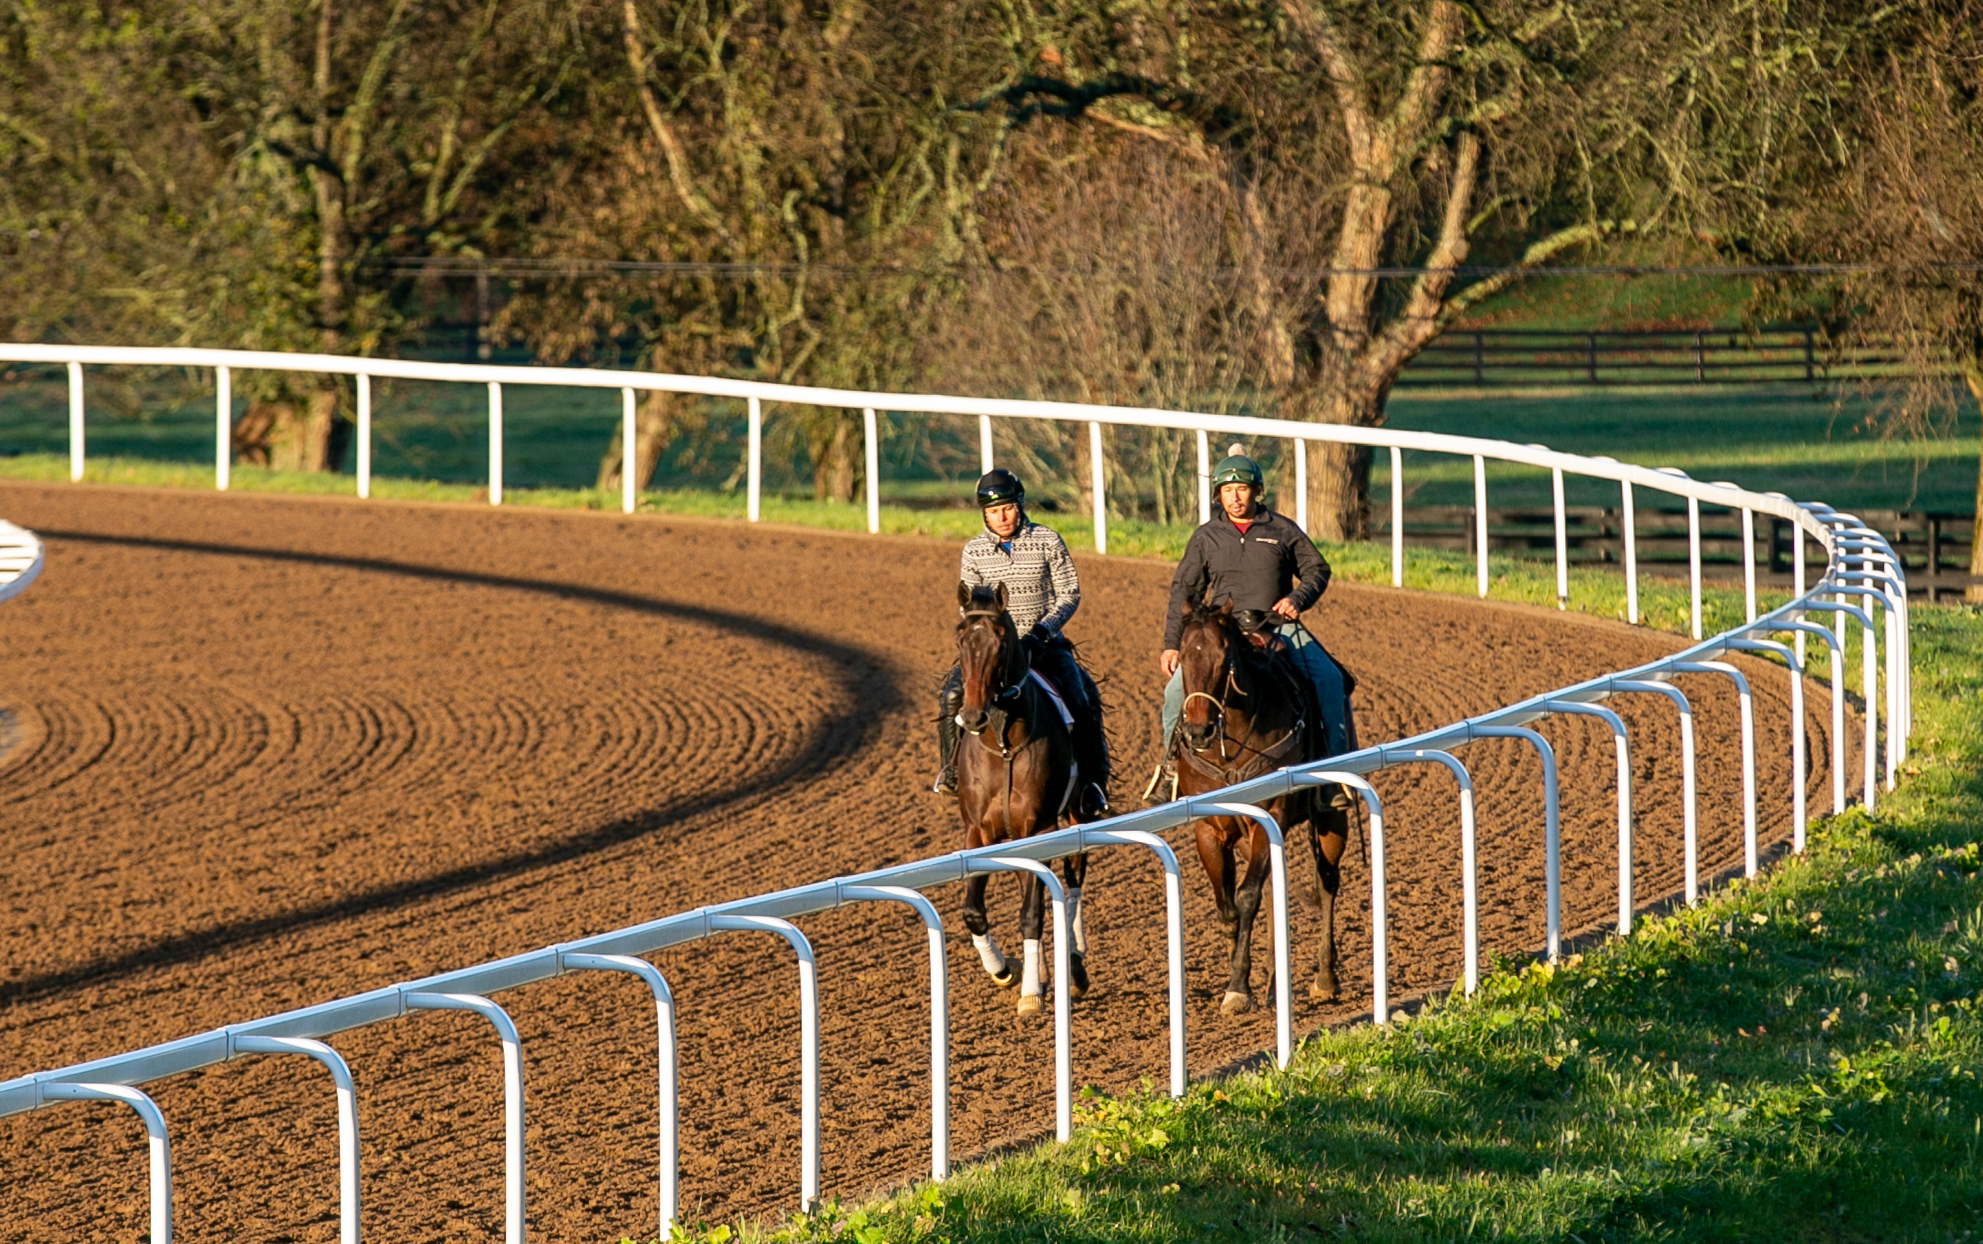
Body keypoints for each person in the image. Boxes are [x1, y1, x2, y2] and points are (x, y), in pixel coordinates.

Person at [1154, 449, 1349, 785]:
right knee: (1174, 696)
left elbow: (1317, 569)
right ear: (1219, 495)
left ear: (1257, 491)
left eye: (1242, 489)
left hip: (1279, 627)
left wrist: (1297, 598)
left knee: (1330, 680)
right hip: (1222, 634)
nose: (1235, 497)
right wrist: (1172, 645)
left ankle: (1337, 772)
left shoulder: (1283, 530)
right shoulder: (1205, 537)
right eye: (1227, 491)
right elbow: (1183, 592)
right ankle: (1171, 769)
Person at [934, 468, 1111, 817]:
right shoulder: (973, 552)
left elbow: (1069, 594)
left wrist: (1040, 633)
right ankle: (951, 771)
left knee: (1081, 699)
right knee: (952, 694)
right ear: (984, 514)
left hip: (1044, 646)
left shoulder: (1048, 540)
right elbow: (968, 607)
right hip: (993, 652)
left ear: (1020, 505)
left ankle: (1092, 785)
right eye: (992, 512)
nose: (1001, 517)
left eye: (1008, 508)